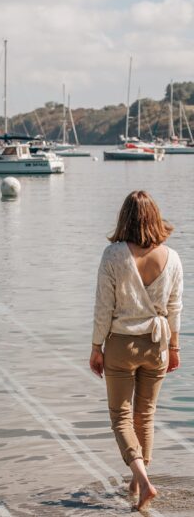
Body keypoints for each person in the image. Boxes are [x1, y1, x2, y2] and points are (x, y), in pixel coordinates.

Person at [89, 190, 183, 510]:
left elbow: (104, 306)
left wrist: (96, 346)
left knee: (121, 417)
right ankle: (136, 482)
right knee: (146, 415)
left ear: (124, 218)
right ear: (155, 217)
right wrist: (174, 348)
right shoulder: (172, 258)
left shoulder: (113, 255)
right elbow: (175, 308)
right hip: (157, 344)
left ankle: (143, 482)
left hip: (121, 343)